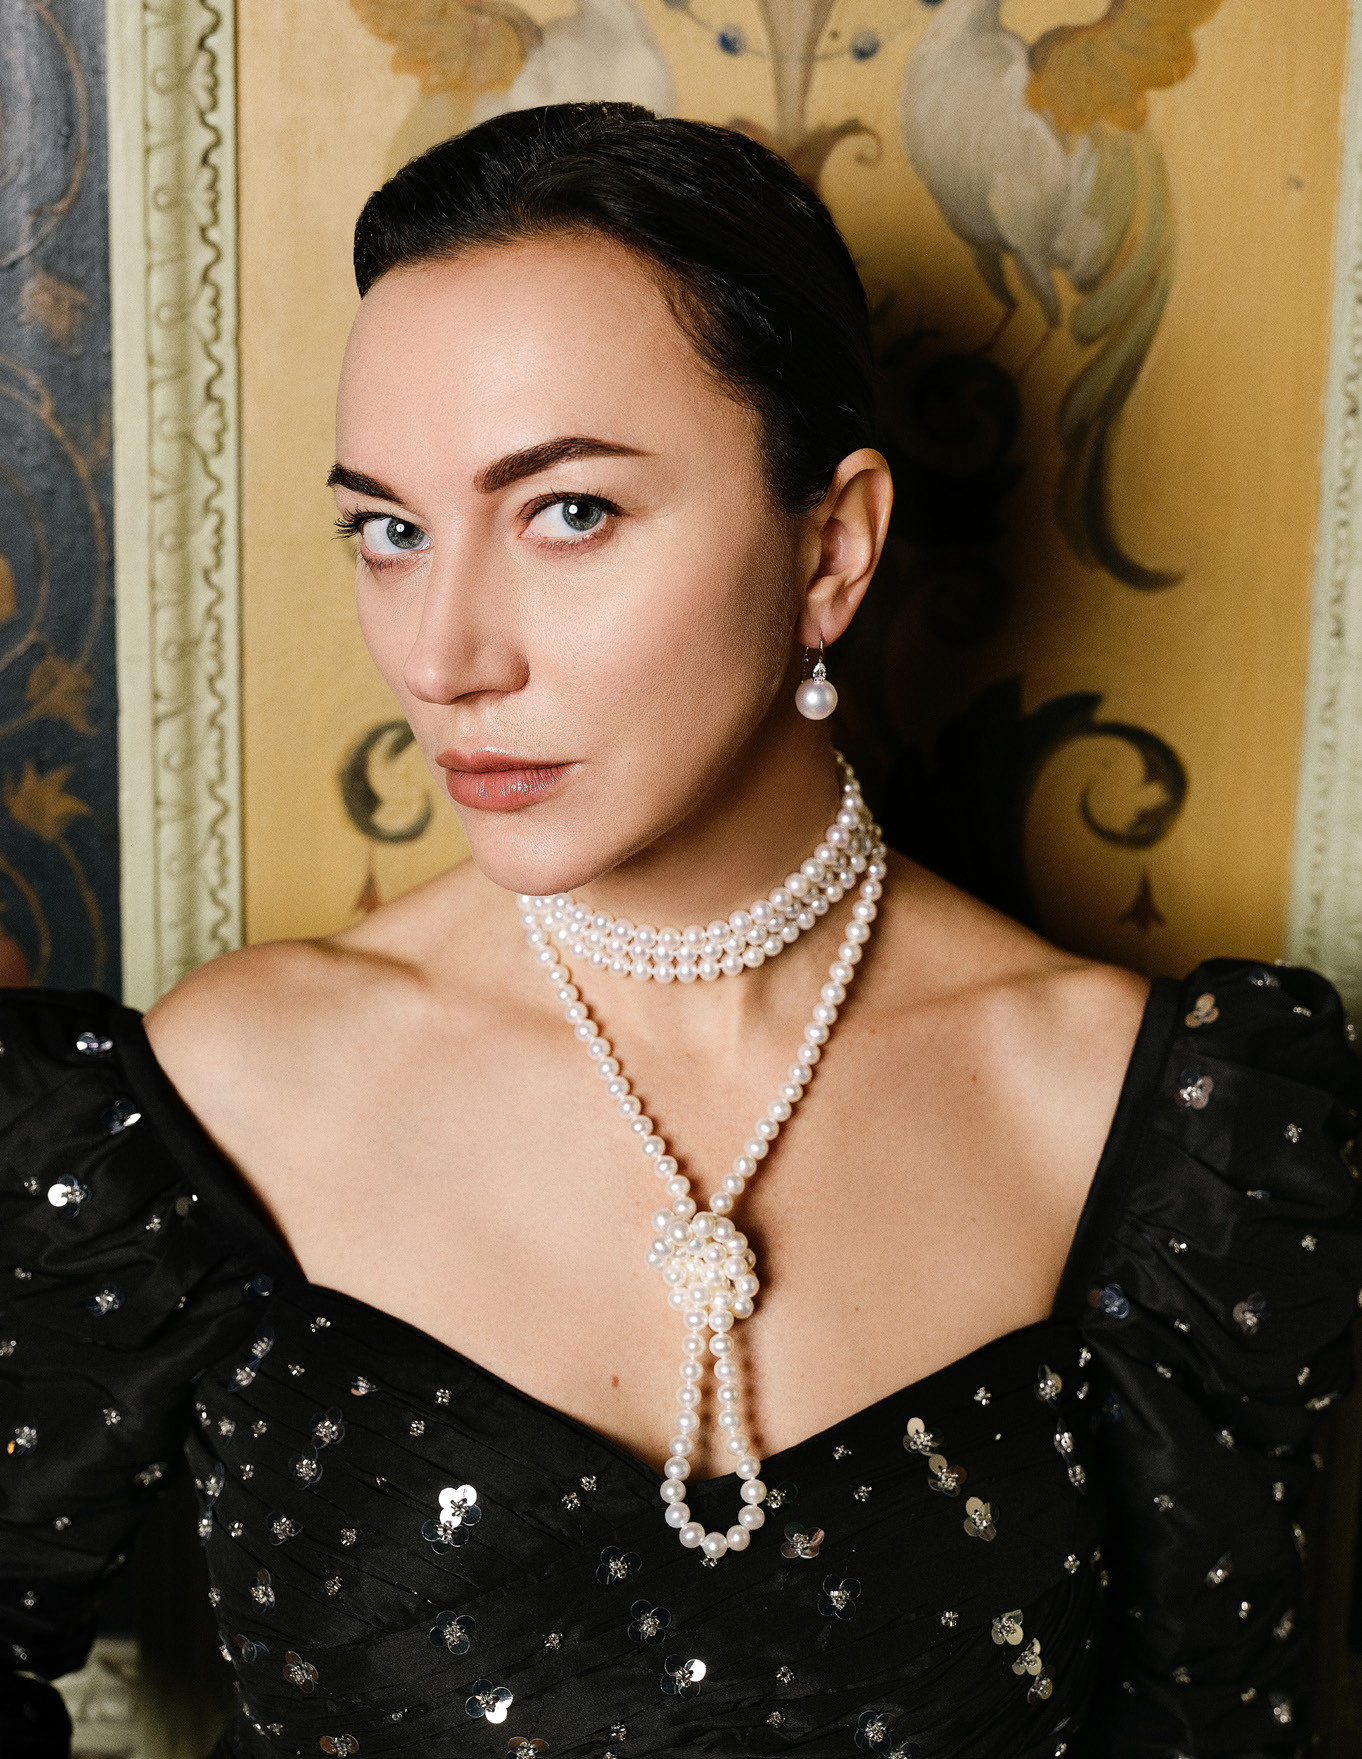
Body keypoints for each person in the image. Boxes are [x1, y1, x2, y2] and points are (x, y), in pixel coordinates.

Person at [2, 102, 1360, 1759]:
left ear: (830, 548)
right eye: (389, 531)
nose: (442, 657)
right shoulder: (224, 1088)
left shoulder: (1158, 1132)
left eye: (567, 511)